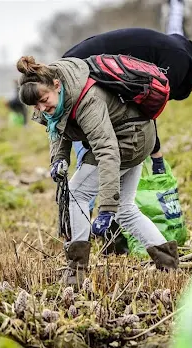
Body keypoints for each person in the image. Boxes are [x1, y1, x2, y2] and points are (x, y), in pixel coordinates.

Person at [16, 55, 180, 284]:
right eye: (36, 106)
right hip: (139, 136)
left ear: (57, 85)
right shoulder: (62, 96)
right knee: (126, 209)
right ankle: (169, 264)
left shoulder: (87, 100)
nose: (42, 109)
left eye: (44, 100)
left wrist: (106, 209)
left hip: (128, 140)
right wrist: (59, 159)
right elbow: (58, 127)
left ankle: (76, 271)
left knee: (77, 193)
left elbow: (107, 150)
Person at [61, 27, 192, 175]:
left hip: (76, 65)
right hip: (79, 71)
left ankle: (89, 199)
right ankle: (84, 203)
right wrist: (156, 153)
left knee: (100, 145)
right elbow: (146, 107)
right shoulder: (180, 59)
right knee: (93, 157)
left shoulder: (176, 50)